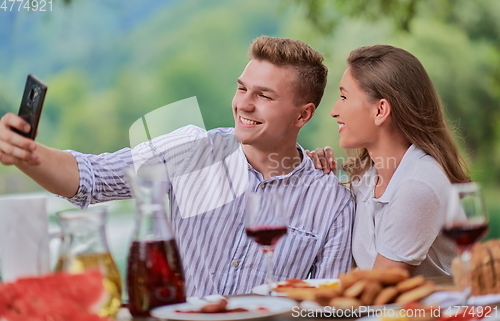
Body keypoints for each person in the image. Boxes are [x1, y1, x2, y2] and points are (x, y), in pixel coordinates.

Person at [0, 36, 354, 296]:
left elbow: (325, 309)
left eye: (263, 96)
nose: (243, 104)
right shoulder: (192, 149)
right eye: (242, 88)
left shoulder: (332, 201)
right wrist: (26, 153)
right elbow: (93, 178)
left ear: (303, 114)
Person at [309, 44, 470, 276]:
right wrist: (318, 178)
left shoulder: (418, 183)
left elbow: (378, 289)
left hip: (431, 313)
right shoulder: (365, 180)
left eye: (344, 96)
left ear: (380, 110)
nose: (334, 111)